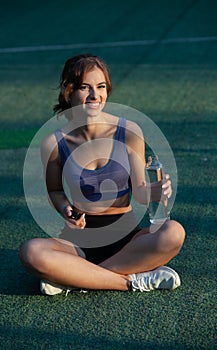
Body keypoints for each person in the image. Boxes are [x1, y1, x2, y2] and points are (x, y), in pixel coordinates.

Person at [19, 54, 185, 295]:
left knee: (174, 233)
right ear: (69, 91)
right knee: (31, 252)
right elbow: (55, 191)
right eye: (85, 87)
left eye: (101, 87)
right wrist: (65, 208)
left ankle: (76, 277)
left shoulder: (129, 131)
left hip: (127, 238)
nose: (95, 95)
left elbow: (140, 192)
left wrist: (154, 192)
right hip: (79, 241)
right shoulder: (53, 143)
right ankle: (131, 281)